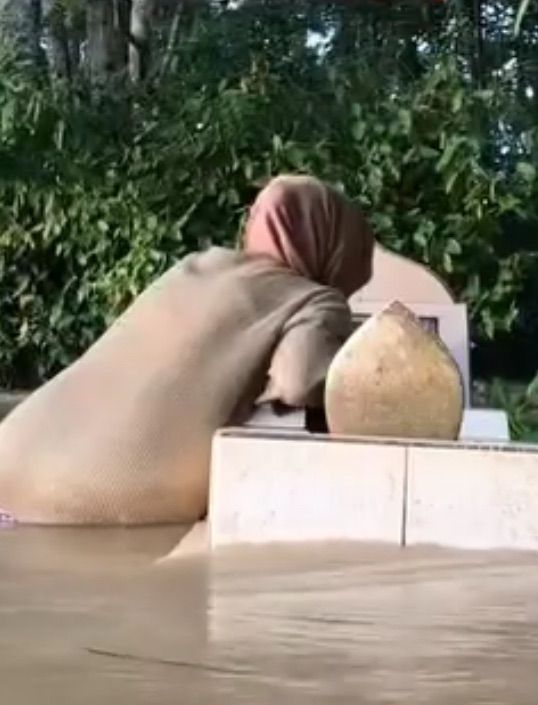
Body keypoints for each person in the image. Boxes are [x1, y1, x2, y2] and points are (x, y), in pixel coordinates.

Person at [0, 174, 373, 525]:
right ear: (337, 248)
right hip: (88, 502)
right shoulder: (314, 300)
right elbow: (299, 382)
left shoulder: (193, 267)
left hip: (12, 454)